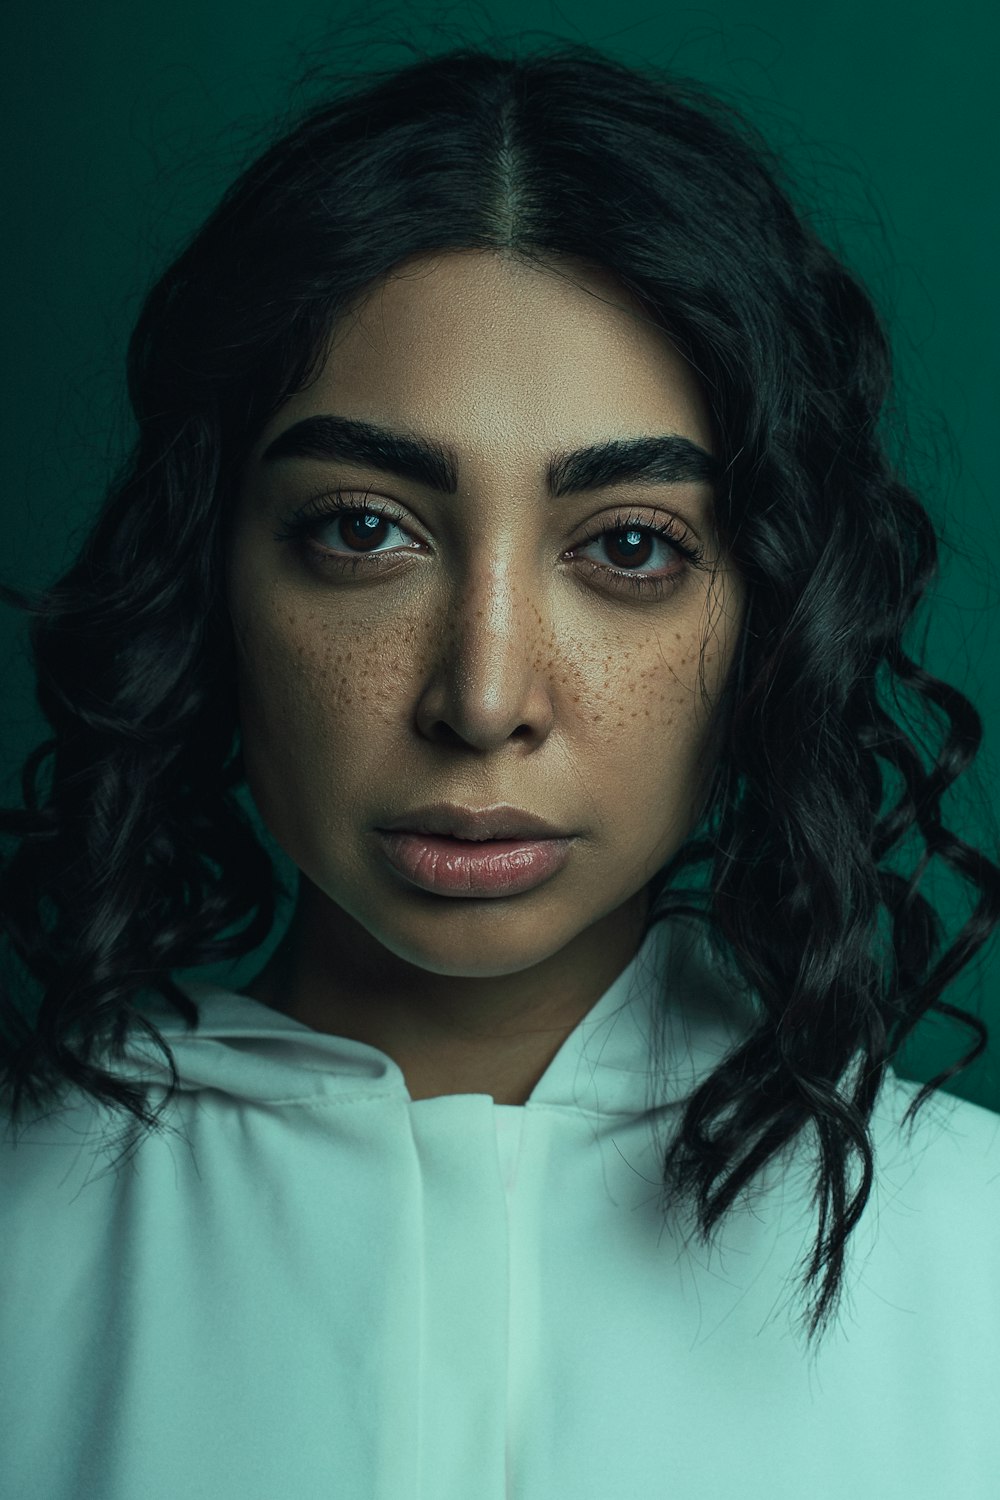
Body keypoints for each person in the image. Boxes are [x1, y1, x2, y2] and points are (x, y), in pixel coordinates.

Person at [1, 37, 998, 1500]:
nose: (483, 697)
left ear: (771, 611)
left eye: (631, 546)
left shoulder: (972, 1257)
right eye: (364, 529)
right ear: (209, 576)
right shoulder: (26, 1241)